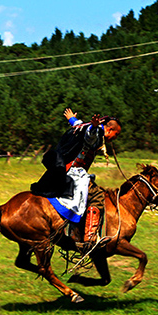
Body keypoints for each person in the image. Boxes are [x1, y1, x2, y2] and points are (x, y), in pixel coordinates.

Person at [31, 107, 121, 250]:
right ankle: (91, 237)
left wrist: (71, 118)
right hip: (74, 173)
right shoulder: (96, 133)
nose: (115, 138)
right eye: (116, 135)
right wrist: (94, 127)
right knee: (97, 195)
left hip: (67, 170)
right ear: (109, 130)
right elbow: (90, 135)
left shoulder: (84, 127)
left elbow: (77, 124)